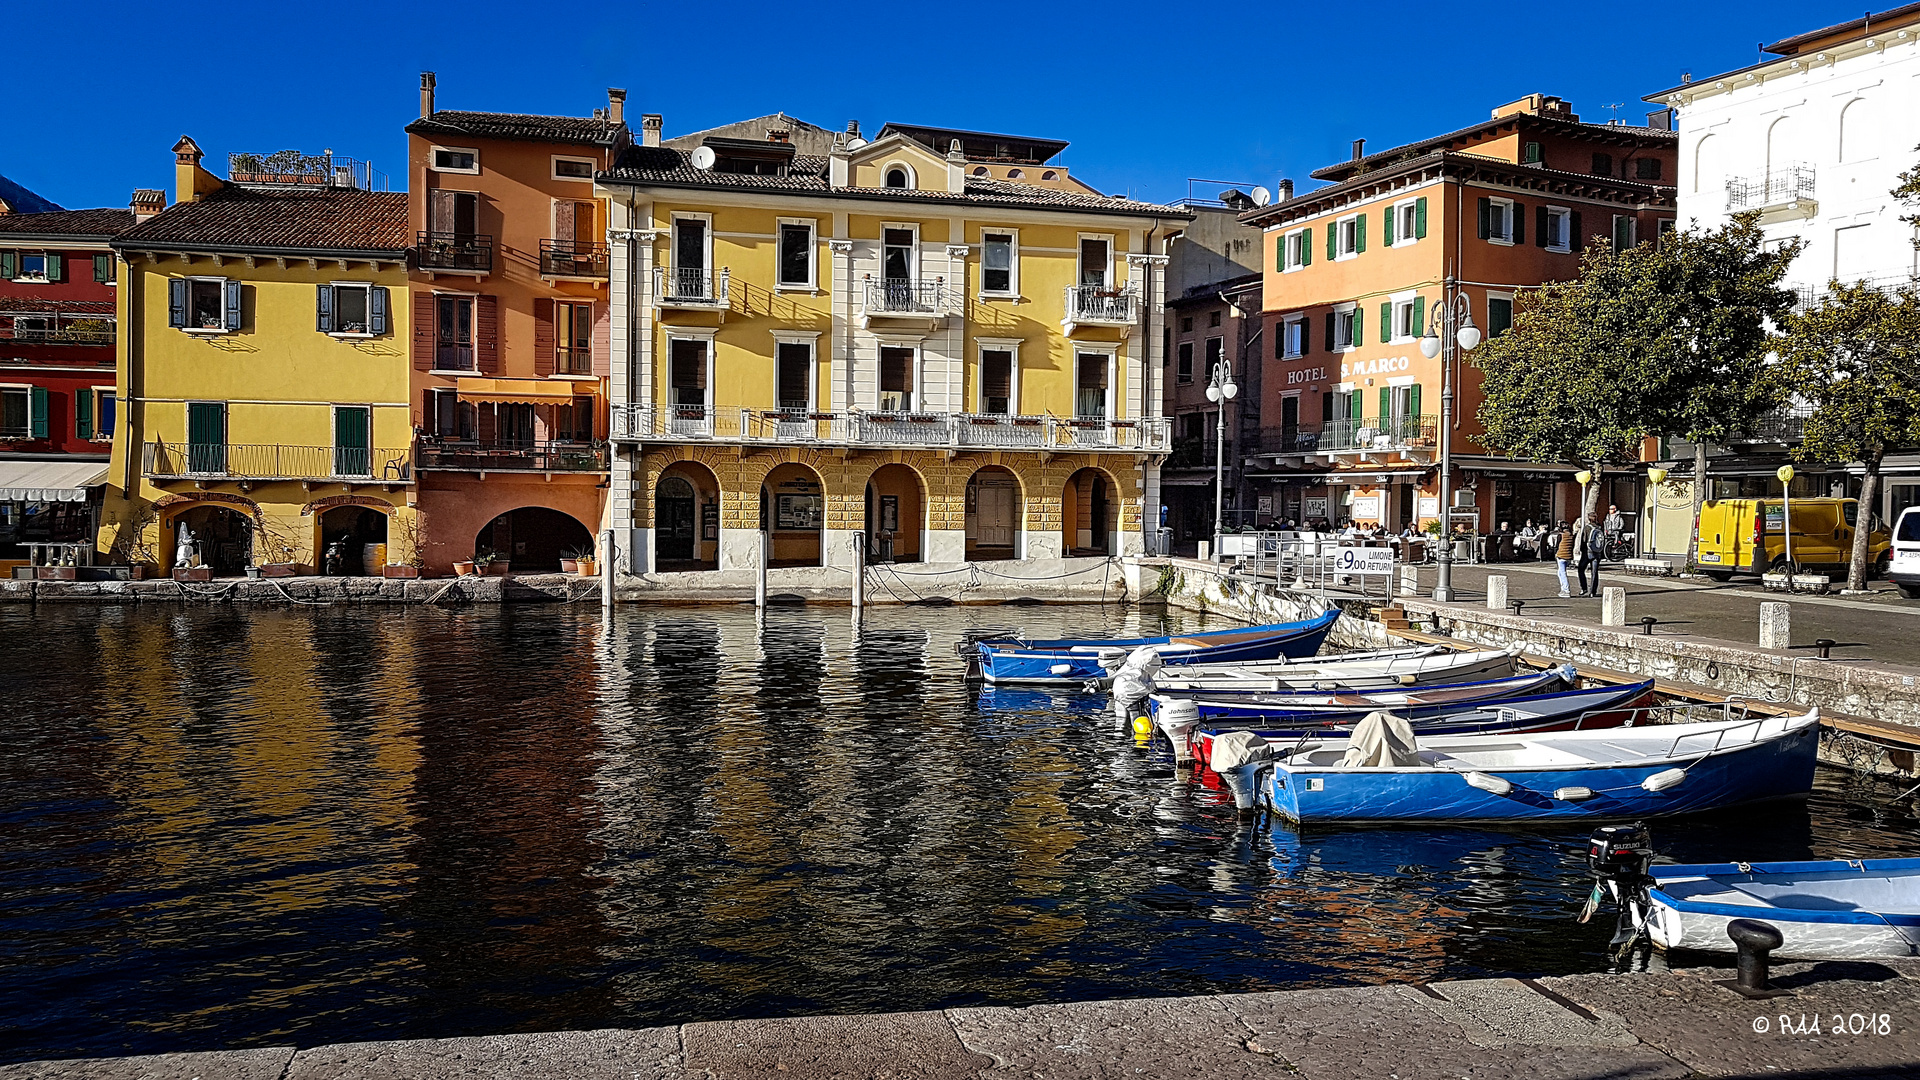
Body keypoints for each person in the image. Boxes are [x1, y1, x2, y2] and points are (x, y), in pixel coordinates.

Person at [1575, 513, 1606, 596]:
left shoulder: (1587, 528)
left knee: (1581, 569)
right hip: (1597, 552)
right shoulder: (1599, 528)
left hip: (1587, 552)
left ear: (1588, 519)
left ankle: (1584, 588)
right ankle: (1593, 591)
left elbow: (1583, 540)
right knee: (1594, 572)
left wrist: (1581, 550)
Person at [1553, 520, 1576, 598]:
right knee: (1560, 572)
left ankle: (1566, 590)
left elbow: (1557, 545)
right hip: (1568, 556)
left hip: (1561, 555)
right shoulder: (1571, 535)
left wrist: (1555, 553)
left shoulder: (1561, 535)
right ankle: (1563, 588)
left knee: (1562, 573)